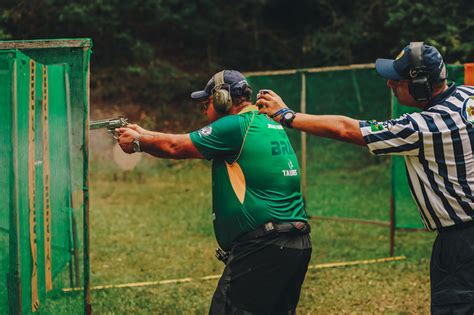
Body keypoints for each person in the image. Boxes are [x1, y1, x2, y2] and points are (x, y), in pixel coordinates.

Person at [257, 42, 474, 314]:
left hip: (462, 243)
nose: (390, 85)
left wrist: (287, 115)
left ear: (420, 84)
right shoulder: (469, 96)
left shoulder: (423, 127)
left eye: (397, 80)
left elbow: (347, 130)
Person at [117, 70, 312, 314]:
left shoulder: (234, 126)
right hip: (294, 243)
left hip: (264, 247)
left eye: (207, 102)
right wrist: (143, 133)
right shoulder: (267, 122)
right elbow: (181, 139)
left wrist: (138, 142)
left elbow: (175, 146)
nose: (204, 108)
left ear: (222, 99)